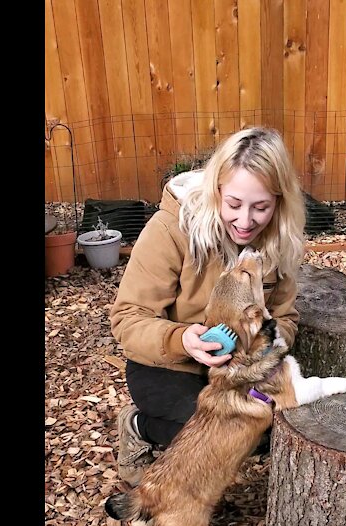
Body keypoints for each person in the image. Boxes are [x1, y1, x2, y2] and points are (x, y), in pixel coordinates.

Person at [109, 126, 306, 485]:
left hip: (239, 368)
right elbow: (127, 318)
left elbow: (286, 318)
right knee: (210, 431)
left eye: (260, 207)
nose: (246, 222)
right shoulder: (171, 227)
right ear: (216, 191)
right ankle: (139, 426)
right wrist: (183, 340)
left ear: (278, 201)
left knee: (264, 434)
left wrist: (262, 344)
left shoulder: (280, 238)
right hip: (167, 364)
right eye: (233, 204)